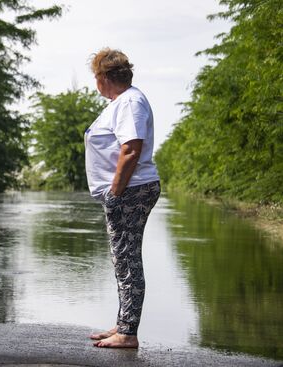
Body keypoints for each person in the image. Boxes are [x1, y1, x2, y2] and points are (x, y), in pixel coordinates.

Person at [84, 48, 161, 348]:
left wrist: (114, 194)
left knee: (127, 260)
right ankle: (122, 324)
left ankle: (128, 333)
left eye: (95, 76)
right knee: (122, 260)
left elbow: (131, 150)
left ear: (103, 77)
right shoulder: (122, 103)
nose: (95, 82)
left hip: (131, 191)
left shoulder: (129, 102)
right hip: (128, 190)